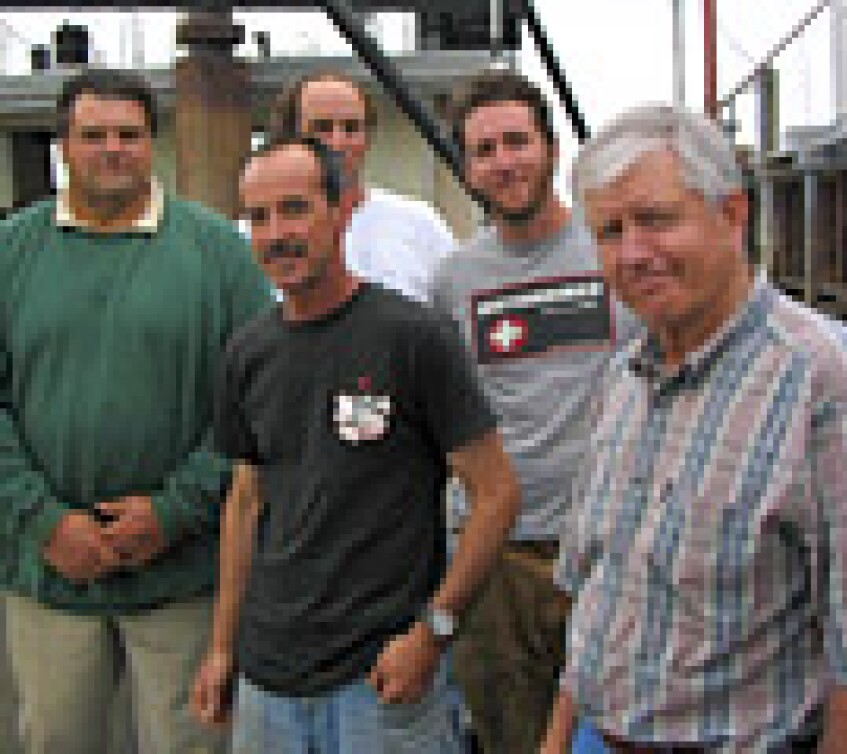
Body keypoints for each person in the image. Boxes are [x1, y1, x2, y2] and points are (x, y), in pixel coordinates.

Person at [541, 104, 847, 754]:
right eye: (610, 231)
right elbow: (596, 598)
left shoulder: (832, 384)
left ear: (732, 214)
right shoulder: (624, 379)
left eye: (657, 220)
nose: (633, 253)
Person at [188, 135, 522, 754]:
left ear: (341, 212)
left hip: (383, 682)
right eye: (257, 217)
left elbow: (496, 495)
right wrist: (221, 648)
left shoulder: (414, 338)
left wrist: (433, 632)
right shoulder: (247, 353)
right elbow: (244, 503)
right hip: (270, 683)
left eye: (294, 209)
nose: (275, 233)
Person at [0, 69, 270, 754]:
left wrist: (175, 510)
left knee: (191, 745)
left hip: (182, 578)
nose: (113, 150)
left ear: (154, 144)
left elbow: (259, 400)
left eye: (129, 134)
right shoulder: (10, 253)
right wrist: (43, 519)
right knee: (55, 740)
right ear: (63, 146)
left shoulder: (219, 256)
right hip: (47, 573)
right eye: (94, 136)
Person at [429, 70, 636, 754]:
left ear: (551, 149)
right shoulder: (454, 280)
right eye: (485, 150)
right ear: (466, 168)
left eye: (518, 142)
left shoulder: (612, 255)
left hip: (608, 553)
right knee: (510, 735)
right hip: (497, 564)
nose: (504, 162)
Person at [268, 70, 455, 303]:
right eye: (322, 128)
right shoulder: (255, 237)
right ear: (289, 138)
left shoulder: (421, 226)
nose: (338, 142)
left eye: (351, 128)